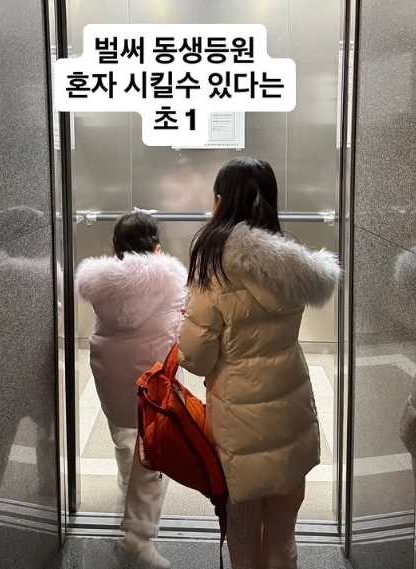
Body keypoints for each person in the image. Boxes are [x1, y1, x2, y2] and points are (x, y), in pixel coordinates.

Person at [177, 156, 341, 569]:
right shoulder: (293, 264)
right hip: (291, 408)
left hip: (239, 420)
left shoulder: (214, 263)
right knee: (283, 533)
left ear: (220, 202)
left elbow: (196, 357)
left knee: (244, 533)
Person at [76, 209, 187, 569]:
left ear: (116, 249)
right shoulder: (170, 280)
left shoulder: (100, 285)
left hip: (110, 377)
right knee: (154, 455)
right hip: (152, 382)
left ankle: (126, 491)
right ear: (156, 248)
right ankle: (137, 538)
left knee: (125, 438)